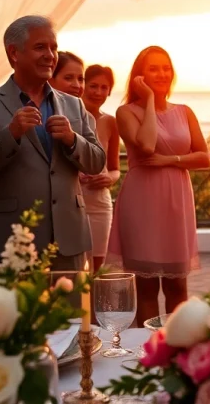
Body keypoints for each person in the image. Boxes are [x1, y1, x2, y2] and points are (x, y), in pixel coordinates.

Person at [0, 17, 105, 270]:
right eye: (41, 47)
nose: (50, 55)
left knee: (73, 311)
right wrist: (11, 134)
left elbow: (97, 162)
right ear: (14, 53)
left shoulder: (74, 104)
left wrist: (73, 140)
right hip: (12, 242)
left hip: (69, 239)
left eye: (53, 48)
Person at [107, 46, 210, 325]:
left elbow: (204, 157)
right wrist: (150, 99)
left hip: (177, 203)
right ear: (139, 76)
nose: (162, 73)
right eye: (153, 68)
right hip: (143, 203)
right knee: (147, 287)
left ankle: (178, 348)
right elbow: (146, 144)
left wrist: (171, 159)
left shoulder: (185, 112)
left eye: (166, 67)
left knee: (178, 287)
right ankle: (147, 352)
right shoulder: (125, 112)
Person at [81, 65, 121, 272]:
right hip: (72, 200)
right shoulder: (70, 117)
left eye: (104, 88)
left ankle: (96, 306)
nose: (98, 92)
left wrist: (110, 179)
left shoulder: (111, 122)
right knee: (75, 268)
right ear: (83, 85)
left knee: (98, 268)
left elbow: (115, 168)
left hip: (100, 204)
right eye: (93, 86)